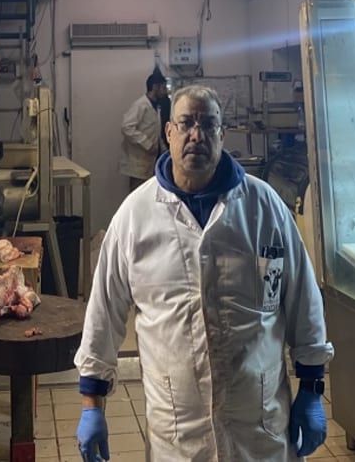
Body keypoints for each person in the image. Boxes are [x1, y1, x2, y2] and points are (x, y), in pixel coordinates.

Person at [75, 84, 333, 461]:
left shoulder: (264, 207)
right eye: (186, 123)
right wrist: (91, 405)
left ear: (222, 134)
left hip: (259, 427)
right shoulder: (135, 215)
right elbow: (103, 312)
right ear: (168, 133)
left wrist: (311, 388)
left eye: (209, 125)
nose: (197, 135)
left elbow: (303, 302)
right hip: (178, 433)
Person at [120, 70, 168, 189]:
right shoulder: (140, 105)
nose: (165, 91)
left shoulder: (156, 106)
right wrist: (147, 144)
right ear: (155, 87)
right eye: (163, 87)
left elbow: (156, 133)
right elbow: (127, 127)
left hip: (152, 162)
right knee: (138, 195)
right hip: (139, 163)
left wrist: (165, 152)